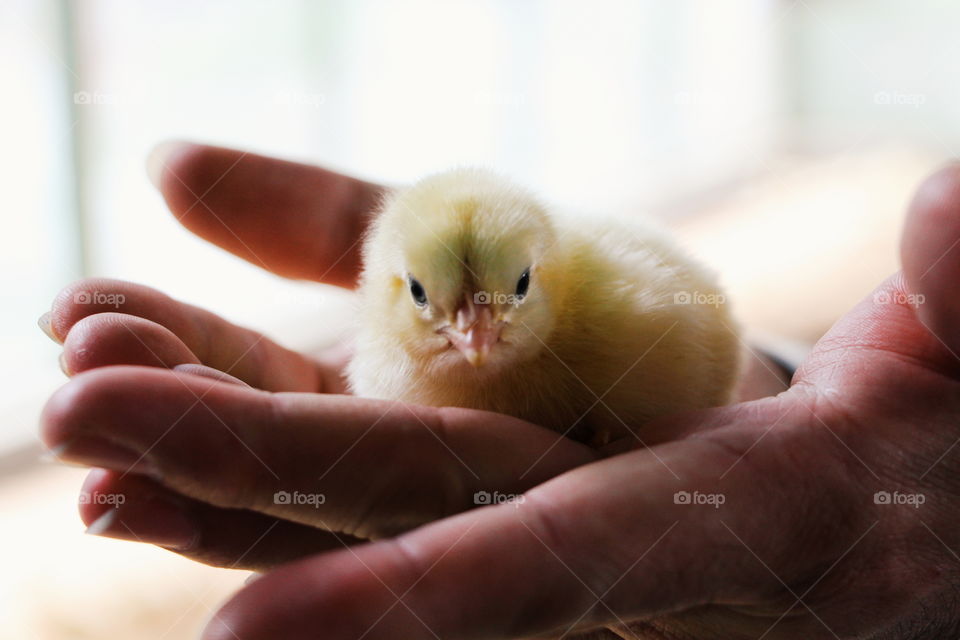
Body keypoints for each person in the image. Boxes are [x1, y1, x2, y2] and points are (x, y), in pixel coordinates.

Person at [39, 143, 960, 639]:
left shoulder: (625, 306)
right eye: (433, 306)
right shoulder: (385, 345)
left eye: (509, 297)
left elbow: (701, 332)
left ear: (545, 275)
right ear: (384, 287)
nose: (474, 337)